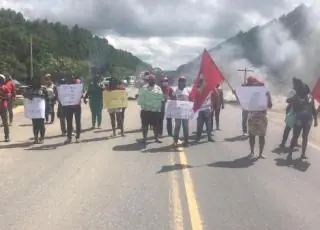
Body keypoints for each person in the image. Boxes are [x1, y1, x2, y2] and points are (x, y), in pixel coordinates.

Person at [287, 84, 318, 160]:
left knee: (305, 137)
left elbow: (313, 109)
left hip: (308, 121)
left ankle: (303, 154)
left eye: (305, 89)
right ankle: (290, 153)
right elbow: (288, 100)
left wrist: (316, 120)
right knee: (295, 136)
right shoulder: (297, 97)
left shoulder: (311, 98)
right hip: (299, 120)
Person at [245, 76, 272, 159]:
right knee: (261, 136)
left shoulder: (252, 93)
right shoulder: (266, 93)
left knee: (252, 135)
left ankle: (252, 153)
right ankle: (260, 154)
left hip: (253, 115)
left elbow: (246, 104)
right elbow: (270, 105)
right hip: (261, 116)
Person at [138, 74, 163, 145]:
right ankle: (144, 139)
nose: (152, 81)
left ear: (155, 80)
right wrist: (145, 105)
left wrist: (162, 100)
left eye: (153, 80)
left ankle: (156, 138)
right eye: (150, 80)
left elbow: (160, 98)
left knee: (156, 126)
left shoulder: (158, 88)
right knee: (145, 126)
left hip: (155, 111)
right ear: (148, 80)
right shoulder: (143, 88)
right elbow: (140, 99)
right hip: (146, 110)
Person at [24, 77, 48, 144]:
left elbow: (47, 98)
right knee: (35, 124)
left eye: (36, 81)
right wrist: (29, 96)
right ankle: (36, 138)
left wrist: (41, 96)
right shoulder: (30, 89)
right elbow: (25, 95)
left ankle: (42, 138)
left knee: (41, 124)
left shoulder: (43, 89)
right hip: (33, 109)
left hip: (41, 110)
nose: (35, 83)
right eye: (34, 81)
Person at [279, 78, 302, 148]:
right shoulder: (293, 91)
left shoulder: (302, 92)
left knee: (297, 129)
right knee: (288, 128)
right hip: (292, 112)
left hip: (299, 112)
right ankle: (283, 143)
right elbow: (287, 100)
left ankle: (294, 142)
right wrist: (294, 99)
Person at [63, 76, 82, 144]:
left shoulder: (78, 83)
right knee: (69, 123)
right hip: (69, 106)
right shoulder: (66, 85)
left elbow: (81, 94)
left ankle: (78, 137)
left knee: (77, 122)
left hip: (77, 106)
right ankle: (69, 138)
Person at [172, 76, 190, 147]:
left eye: (184, 81)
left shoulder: (188, 90)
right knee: (177, 127)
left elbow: (191, 99)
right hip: (178, 113)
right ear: (179, 82)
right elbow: (172, 101)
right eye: (181, 81)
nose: (182, 83)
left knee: (186, 127)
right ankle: (175, 141)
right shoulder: (175, 91)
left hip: (185, 112)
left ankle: (186, 141)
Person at [0, 74, 10, 142]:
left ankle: (7, 136)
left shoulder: (5, 87)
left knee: (5, 122)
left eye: (1, 79)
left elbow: (8, 97)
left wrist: (2, 96)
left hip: (3, 106)